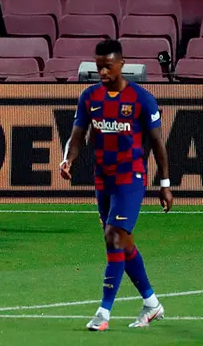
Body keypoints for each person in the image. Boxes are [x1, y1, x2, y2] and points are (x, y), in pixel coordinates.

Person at [60, 40, 172, 331]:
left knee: (114, 237)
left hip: (130, 178)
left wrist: (165, 184)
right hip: (103, 179)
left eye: (108, 66)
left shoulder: (142, 99)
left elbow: (158, 144)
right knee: (122, 243)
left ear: (122, 64)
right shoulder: (89, 97)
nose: (103, 72)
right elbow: (77, 135)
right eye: (99, 67)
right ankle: (152, 304)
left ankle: (104, 312)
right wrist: (68, 159)